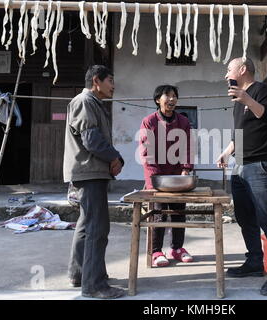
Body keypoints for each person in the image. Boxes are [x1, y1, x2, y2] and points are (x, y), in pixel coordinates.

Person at [217, 57, 267, 296]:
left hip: (260, 165)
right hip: (240, 165)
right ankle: (255, 262)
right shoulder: (237, 100)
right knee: (245, 217)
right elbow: (239, 135)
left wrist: (247, 99)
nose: (226, 75)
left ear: (243, 69)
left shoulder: (262, 90)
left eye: (229, 70)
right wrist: (227, 153)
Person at [63, 65, 125, 299]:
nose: (113, 85)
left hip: (92, 172)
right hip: (88, 172)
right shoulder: (85, 101)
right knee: (97, 228)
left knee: (86, 225)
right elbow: (91, 139)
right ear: (96, 81)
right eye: (110, 80)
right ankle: (94, 285)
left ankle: (80, 274)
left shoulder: (93, 103)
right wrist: (115, 157)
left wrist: (112, 158)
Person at [139, 85, 194, 267]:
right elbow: (147, 151)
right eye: (167, 96)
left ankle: (177, 249)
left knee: (179, 212)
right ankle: (156, 251)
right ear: (158, 100)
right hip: (157, 177)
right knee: (159, 214)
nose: (171, 99)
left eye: (174, 96)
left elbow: (187, 147)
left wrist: (186, 169)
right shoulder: (149, 121)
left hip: (178, 176)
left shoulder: (183, 122)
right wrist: (154, 179)